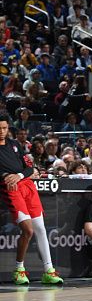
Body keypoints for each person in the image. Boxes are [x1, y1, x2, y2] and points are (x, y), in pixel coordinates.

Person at [0, 115, 63, 285]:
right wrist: (7, 176)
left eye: (4, 128)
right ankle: (19, 269)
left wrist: (19, 175)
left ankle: (49, 271)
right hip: (11, 189)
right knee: (28, 231)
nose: (2, 131)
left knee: (40, 228)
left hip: (27, 186)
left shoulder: (14, 145)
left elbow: (30, 168)